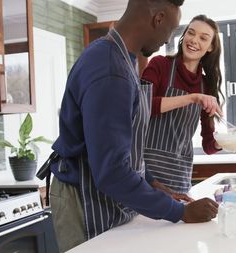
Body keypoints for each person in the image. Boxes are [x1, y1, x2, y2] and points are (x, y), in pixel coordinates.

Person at [47, 1, 218, 252]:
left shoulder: (121, 58)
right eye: (171, 30)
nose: (168, 39)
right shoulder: (110, 69)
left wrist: (152, 183)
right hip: (82, 199)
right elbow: (113, 172)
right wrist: (180, 212)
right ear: (158, 19)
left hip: (100, 193)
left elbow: (121, 148)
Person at [140, 15, 236, 195]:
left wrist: (229, 140)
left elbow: (209, 145)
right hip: (146, 173)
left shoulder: (206, 86)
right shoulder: (160, 65)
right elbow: (142, 105)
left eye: (203, 38)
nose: (194, 40)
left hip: (178, 177)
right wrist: (192, 98)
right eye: (191, 33)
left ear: (210, 47)